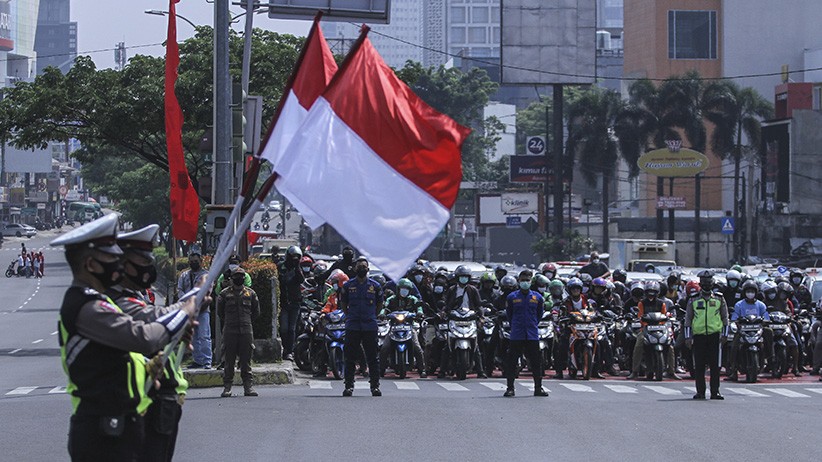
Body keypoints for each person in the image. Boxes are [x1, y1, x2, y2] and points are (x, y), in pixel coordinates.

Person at [52, 214, 198, 462]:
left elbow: (116, 359)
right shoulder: (88, 306)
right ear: (90, 264)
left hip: (118, 424)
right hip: (102, 428)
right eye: (110, 257)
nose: (117, 265)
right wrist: (184, 311)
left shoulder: (96, 301)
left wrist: (147, 368)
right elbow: (143, 337)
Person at [107, 224, 195, 462]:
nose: (148, 266)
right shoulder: (115, 300)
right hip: (144, 402)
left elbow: (158, 336)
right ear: (123, 265)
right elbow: (155, 322)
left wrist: (178, 339)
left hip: (162, 400)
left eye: (149, 259)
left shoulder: (138, 296)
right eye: (141, 260)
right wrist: (191, 304)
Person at [339, 257, 383, 397]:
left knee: (372, 358)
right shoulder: (348, 286)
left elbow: (379, 305)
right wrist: (349, 315)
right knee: (350, 357)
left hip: (369, 325)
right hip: (353, 325)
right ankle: (349, 386)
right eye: (359, 266)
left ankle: (375, 387)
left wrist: (372, 316)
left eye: (364, 266)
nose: (362, 269)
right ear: (355, 268)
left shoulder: (375, 286)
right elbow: (344, 305)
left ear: (368, 269)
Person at [503, 270, 549, 397]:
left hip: (532, 333)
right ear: (518, 281)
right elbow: (509, 314)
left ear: (531, 281)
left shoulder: (537, 297)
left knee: (536, 362)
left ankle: (538, 388)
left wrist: (532, 324)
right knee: (512, 362)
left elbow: (539, 314)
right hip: (517, 333)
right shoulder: (512, 297)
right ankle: (510, 388)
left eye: (527, 280)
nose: (525, 282)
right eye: (523, 280)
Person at [217, 267, 260, 398]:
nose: (239, 278)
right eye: (237, 276)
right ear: (232, 278)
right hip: (230, 330)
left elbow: (256, 312)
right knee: (229, 360)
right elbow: (220, 313)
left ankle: (248, 387)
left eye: (242, 276)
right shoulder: (224, 294)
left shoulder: (251, 294)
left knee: (246, 360)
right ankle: (227, 388)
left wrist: (246, 322)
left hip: (246, 329)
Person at [684, 279, 729, 400]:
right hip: (699, 336)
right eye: (704, 284)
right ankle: (700, 392)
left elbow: (725, 318)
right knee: (699, 366)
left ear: (712, 285)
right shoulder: (693, 299)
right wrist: (688, 337)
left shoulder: (719, 298)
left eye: (709, 284)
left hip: (715, 336)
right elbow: (688, 319)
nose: (707, 286)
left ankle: (715, 392)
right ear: (700, 285)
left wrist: (725, 335)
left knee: (715, 366)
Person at [626, 281, 680, 380]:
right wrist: (643, 323)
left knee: (670, 346)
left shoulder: (661, 303)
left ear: (657, 293)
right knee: (639, 344)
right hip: (646, 328)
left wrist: (667, 320)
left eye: (653, 292)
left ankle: (671, 371)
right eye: (649, 292)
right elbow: (640, 316)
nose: (651, 294)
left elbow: (664, 316)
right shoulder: (641, 303)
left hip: (660, 328)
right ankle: (635, 371)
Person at [442, 265, 486, 378]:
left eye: (465, 277)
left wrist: (481, 317)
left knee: (475, 345)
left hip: (469, 319)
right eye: (461, 277)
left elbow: (479, 305)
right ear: (457, 278)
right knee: (447, 345)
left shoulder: (473, 290)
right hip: (454, 319)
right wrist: (443, 312)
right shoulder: (452, 290)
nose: (463, 279)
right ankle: (442, 370)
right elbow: (446, 305)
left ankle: (480, 371)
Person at [379, 278, 427, 378]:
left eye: (406, 289)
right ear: (398, 289)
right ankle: (381, 369)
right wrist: (382, 314)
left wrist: (420, 313)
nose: (404, 291)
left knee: (417, 347)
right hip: (394, 327)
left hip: (409, 327)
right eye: (402, 288)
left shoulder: (413, 299)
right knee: (385, 347)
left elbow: (419, 307)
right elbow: (384, 308)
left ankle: (422, 369)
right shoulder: (391, 299)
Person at [726, 280, 770, 382]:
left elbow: (766, 317)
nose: (750, 293)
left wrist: (765, 321)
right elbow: (734, 318)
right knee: (734, 346)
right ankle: (733, 370)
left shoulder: (761, 305)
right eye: (748, 291)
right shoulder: (739, 305)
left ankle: (770, 357)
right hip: (743, 330)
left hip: (757, 330)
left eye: (752, 291)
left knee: (769, 333)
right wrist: (738, 323)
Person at [178, 248, 210, 369]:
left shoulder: (206, 275)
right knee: (193, 336)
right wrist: (187, 301)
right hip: (188, 310)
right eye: (191, 261)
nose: (193, 263)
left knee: (204, 335)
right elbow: (180, 290)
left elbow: (207, 291)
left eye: (196, 261)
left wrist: (197, 303)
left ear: (201, 261)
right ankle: (197, 360)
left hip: (202, 310)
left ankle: (207, 361)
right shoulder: (184, 275)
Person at [278, 245, 305, 361]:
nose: (294, 259)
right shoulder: (281, 266)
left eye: (297, 257)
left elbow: (301, 280)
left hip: (295, 303)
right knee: (284, 328)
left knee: (292, 329)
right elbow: (280, 280)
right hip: (284, 302)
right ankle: (284, 348)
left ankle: (289, 351)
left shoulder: (298, 269)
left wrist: (297, 266)